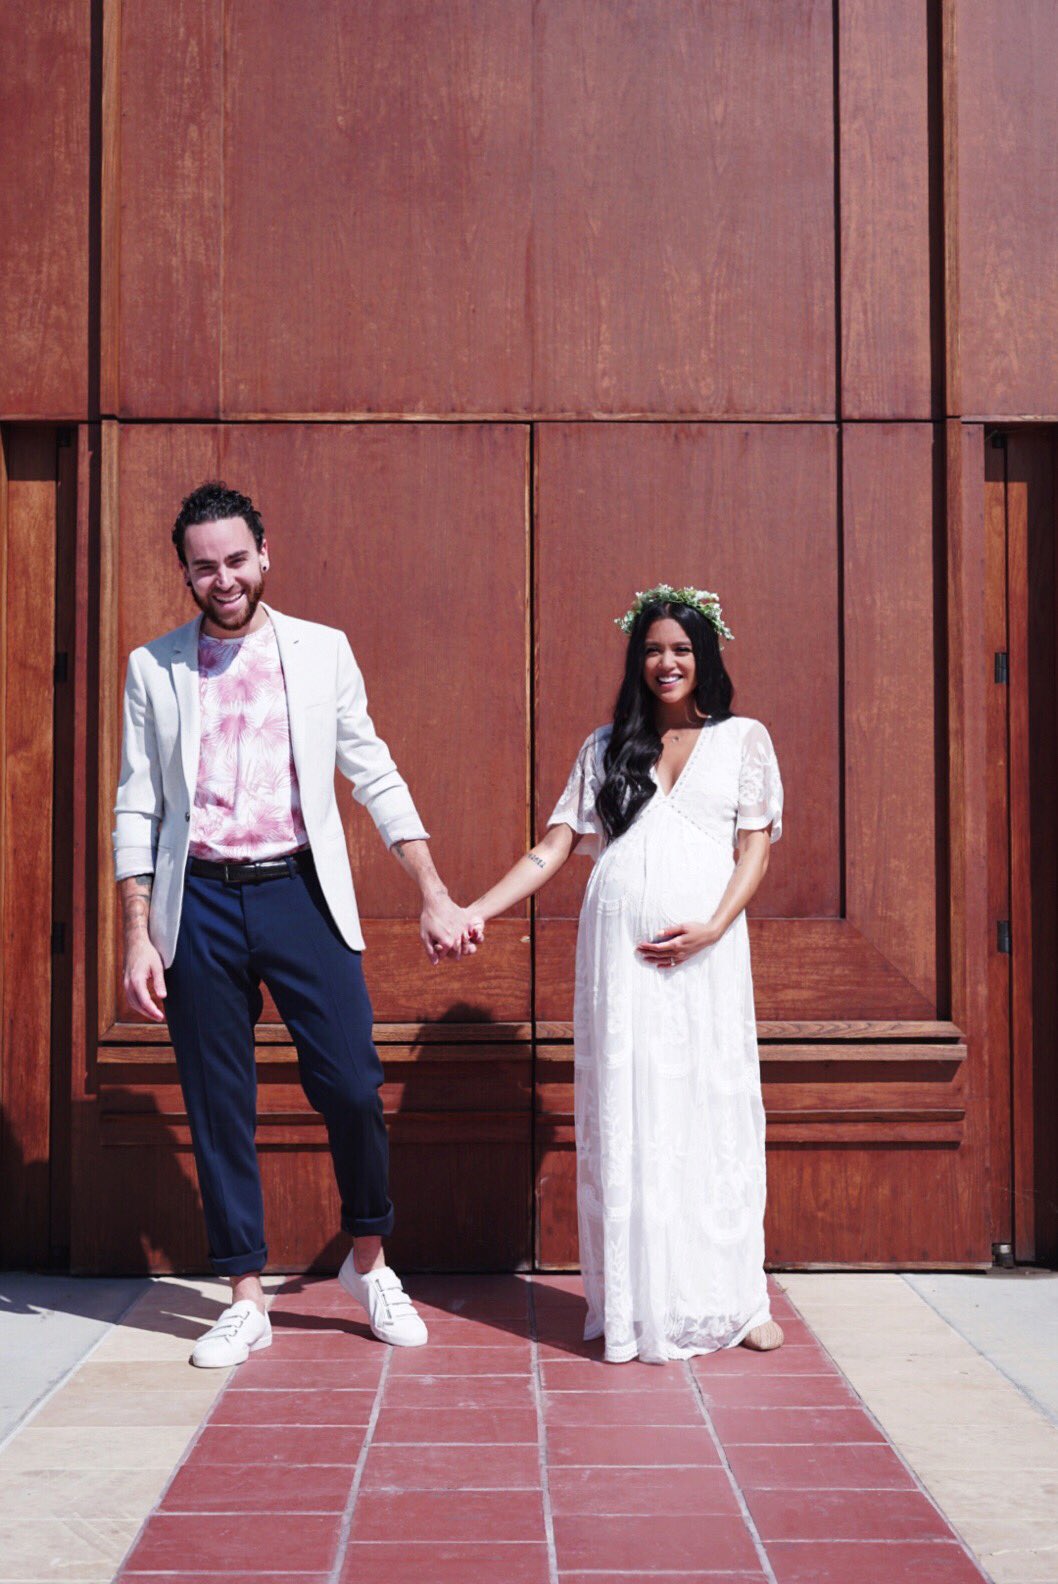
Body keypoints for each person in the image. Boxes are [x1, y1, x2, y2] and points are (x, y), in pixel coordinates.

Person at [113, 481, 479, 1367]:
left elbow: (373, 772)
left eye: (237, 560)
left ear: (264, 555)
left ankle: (368, 1261)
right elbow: (137, 806)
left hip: (300, 891)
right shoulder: (153, 668)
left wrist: (432, 889)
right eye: (205, 566)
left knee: (352, 1084)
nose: (224, 579)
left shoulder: (322, 651)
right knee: (218, 1104)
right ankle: (244, 1295)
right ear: (186, 573)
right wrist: (137, 933)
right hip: (198, 901)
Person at [468, 584, 783, 1364]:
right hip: (620, 961)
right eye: (652, 650)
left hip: (706, 952)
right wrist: (477, 909)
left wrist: (713, 926)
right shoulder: (607, 746)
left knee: (710, 1104)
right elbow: (551, 849)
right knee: (631, 1110)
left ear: (705, 656)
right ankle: (637, 1300)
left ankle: (738, 1299)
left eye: (680, 649)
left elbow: (754, 849)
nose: (665, 662)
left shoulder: (743, 739)